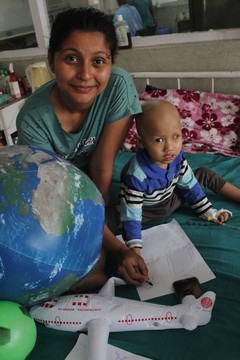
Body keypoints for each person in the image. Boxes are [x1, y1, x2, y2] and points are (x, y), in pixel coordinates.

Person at [16, 7, 149, 291]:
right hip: (53, 187)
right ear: (52, 60)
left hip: (95, 178)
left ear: (111, 63)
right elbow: (57, 193)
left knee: (114, 214)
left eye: (99, 61)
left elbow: (102, 167)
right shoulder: (32, 118)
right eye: (71, 58)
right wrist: (119, 250)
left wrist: (106, 248)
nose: (85, 75)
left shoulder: (118, 87)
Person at [120, 99, 240, 254]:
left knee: (203, 173)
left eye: (176, 136)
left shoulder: (177, 158)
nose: (170, 148)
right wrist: (135, 251)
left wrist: (209, 213)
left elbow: (190, 187)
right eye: (159, 140)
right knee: (111, 217)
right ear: (141, 142)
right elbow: (132, 215)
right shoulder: (136, 174)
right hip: (145, 211)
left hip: (172, 200)